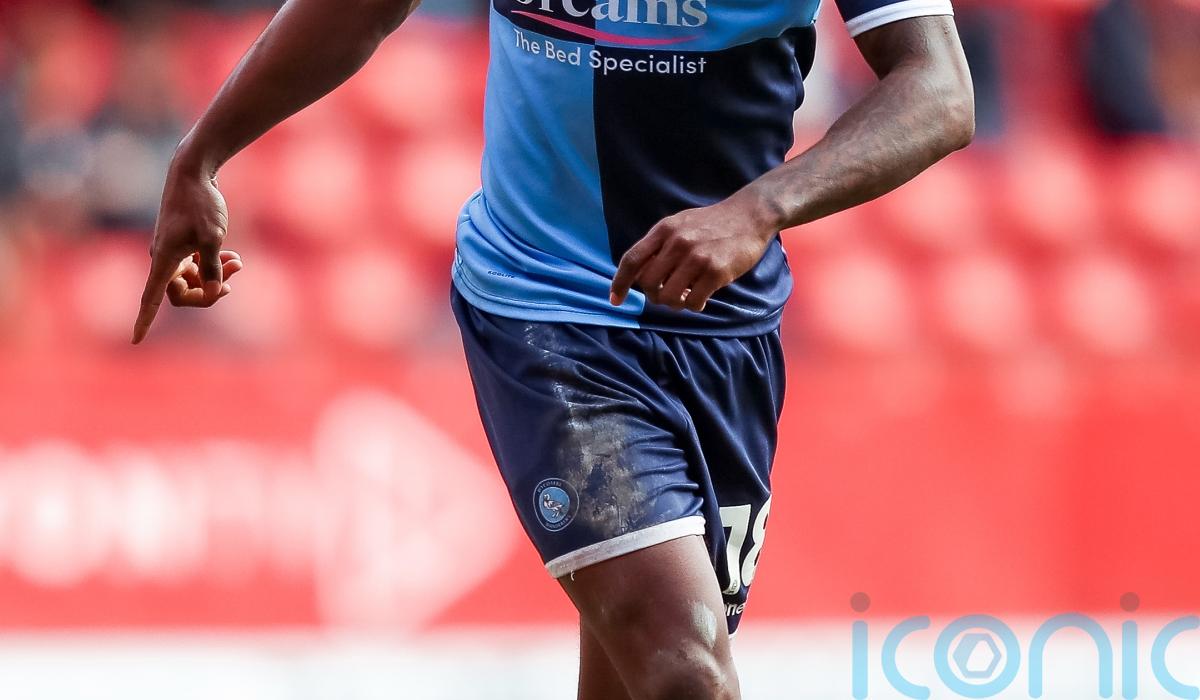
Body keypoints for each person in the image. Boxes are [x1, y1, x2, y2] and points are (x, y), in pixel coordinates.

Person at [132, 0, 974, 696]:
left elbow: (938, 88)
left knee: (630, 676)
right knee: (684, 671)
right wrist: (202, 154)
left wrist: (761, 208)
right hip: (544, 307)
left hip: (723, 327)